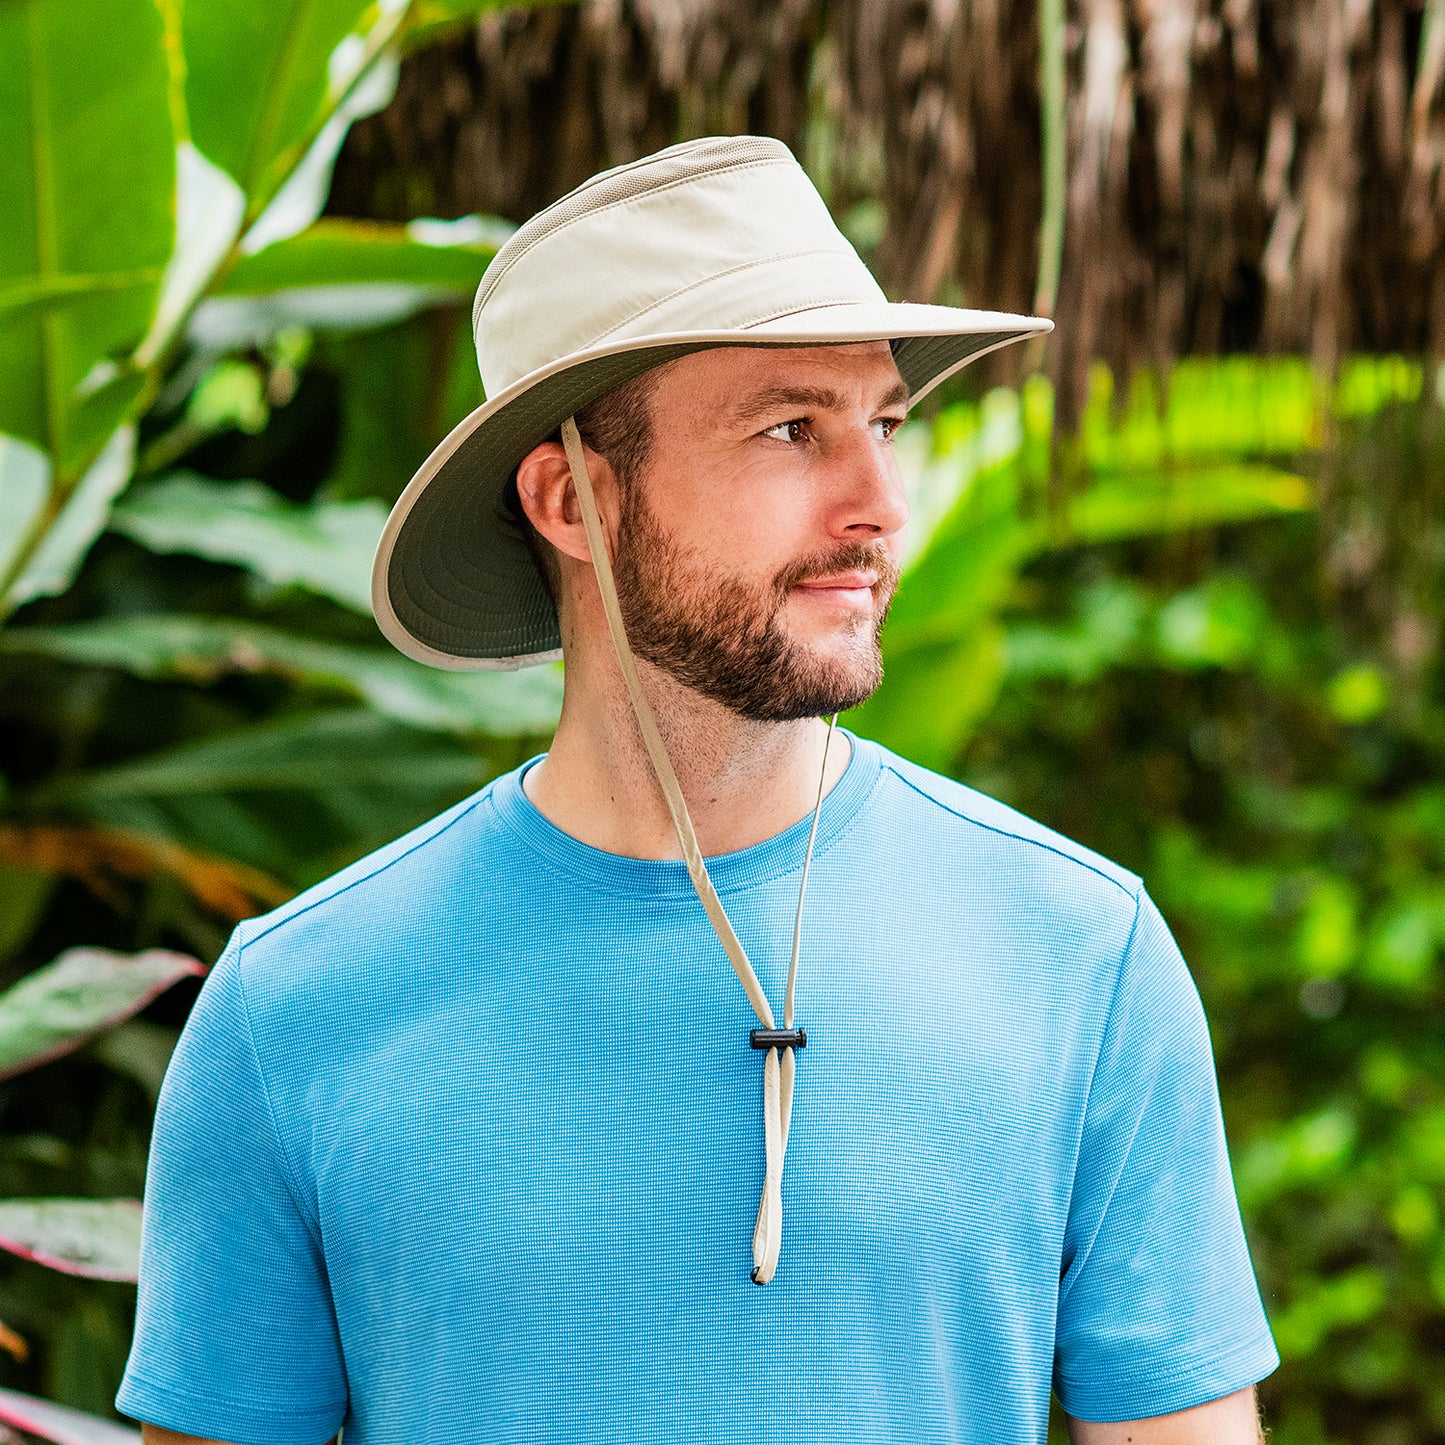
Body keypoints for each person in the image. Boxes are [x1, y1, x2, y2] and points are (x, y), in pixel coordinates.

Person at [118, 136, 1278, 1445]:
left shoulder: (1078, 951)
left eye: (881, 422)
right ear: (571, 496)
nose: (877, 502)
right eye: (791, 427)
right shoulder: (296, 1009)